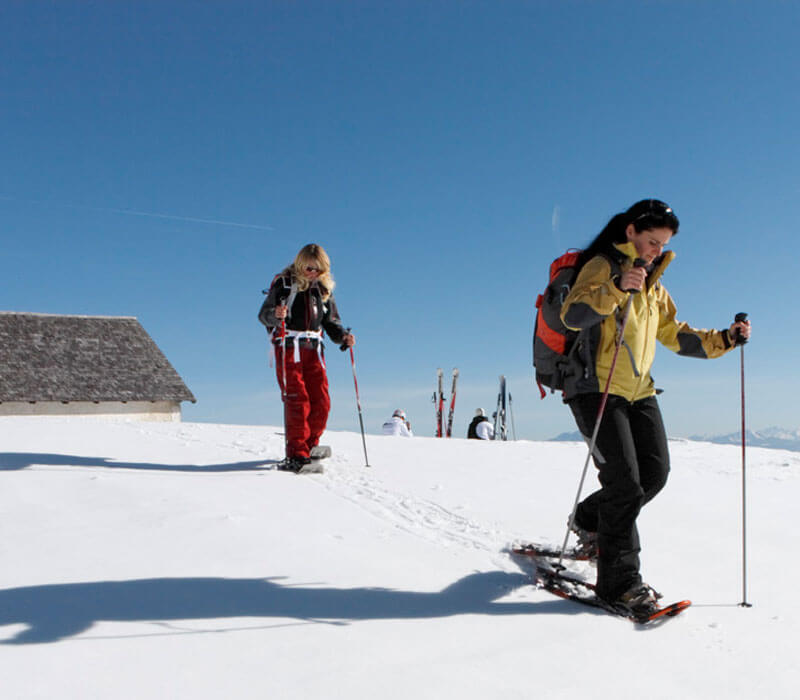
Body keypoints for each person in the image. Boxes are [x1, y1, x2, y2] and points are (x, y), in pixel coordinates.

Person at [559, 198, 751, 616]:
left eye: (662, 244)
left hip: (639, 392)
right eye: (650, 241)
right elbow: (572, 314)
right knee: (624, 484)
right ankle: (619, 584)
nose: (655, 251)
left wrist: (726, 338)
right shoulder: (604, 267)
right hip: (596, 389)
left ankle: (590, 521)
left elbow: (676, 336)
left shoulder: (653, 286)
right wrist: (616, 287)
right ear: (630, 233)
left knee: (654, 473)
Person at [258, 243, 355, 472]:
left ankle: (310, 445)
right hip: (289, 347)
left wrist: (343, 337)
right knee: (297, 399)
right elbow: (263, 315)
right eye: (310, 268)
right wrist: (275, 314)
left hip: (314, 349)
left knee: (321, 401)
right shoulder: (284, 284)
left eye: (319, 270)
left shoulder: (322, 290)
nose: (313, 273)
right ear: (301, 264)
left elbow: (331, 322)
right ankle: (296, 453)